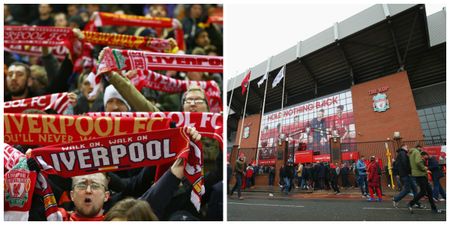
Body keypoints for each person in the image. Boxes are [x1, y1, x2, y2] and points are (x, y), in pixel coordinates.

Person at [407, 146, 441, 214]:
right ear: (418, 148)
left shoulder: (411, 153)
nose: (421, 150)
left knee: (429, 192)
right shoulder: (416, 152)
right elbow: (418, 162)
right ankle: (410, 204)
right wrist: (425, 168)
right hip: (420, 175)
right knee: (423, 192)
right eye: (420, 148)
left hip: (418, 174)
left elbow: (415, 163)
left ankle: (434, 208)